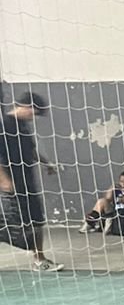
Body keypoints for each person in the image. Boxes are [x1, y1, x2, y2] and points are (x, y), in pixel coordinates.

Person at [1, 91, 63, 270]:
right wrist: (4, 181)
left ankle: (40, 260)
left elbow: (31, 149)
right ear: (26, 106)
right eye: (34, 112)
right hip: (9, 184)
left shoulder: (23, 126)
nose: (33, 117)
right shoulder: (4, 124)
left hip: (26, 182)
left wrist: (46, 163)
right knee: (7, 225)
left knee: (36, 219)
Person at [81, 170, 124, 236]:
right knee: (101, 201)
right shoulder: (118, 190)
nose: (123, 184)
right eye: (121, 182)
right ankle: (90, 222)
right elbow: (107, 199)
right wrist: (111, 188)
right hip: (114, 214)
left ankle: (98, 223)